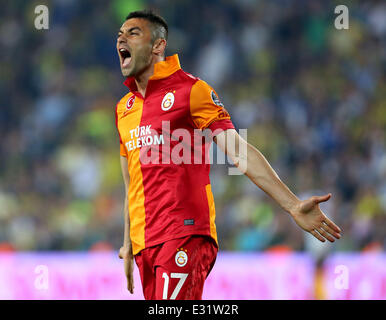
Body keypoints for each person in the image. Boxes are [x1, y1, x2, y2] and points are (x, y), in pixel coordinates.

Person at [115, 10, 342, 300]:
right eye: (120, 34)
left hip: (184, 234)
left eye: (133, 32)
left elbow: (238, 151)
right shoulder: (124, 109)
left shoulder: (192, 91)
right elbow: (131, 184)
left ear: (158, 45)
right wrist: (128, 243)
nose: (122, 37)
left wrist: (292, 205)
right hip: (146, 244)